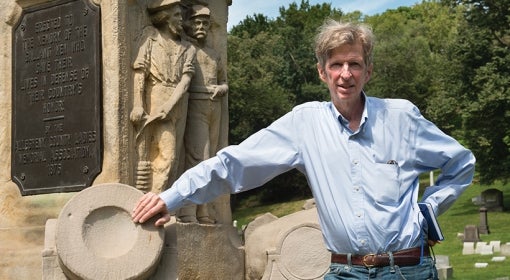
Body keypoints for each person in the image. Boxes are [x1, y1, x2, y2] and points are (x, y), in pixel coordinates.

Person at [132, 19, 475, 279]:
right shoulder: (304, 125)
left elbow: (461, 163)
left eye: (354, 64)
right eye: (335, 65)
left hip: (408, 269)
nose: (345, 74)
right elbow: (233, 164)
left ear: (368, 71)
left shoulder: (401, 118)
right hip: (346, 271)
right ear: (322, 73)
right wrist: (171, 197)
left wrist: (427, 212)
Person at [130, 0, 196, 193]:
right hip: (157, 96)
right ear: (166, 18)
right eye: (176, 15)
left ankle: (164, 203)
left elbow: (185, 82)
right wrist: (137, 104)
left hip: (177, 103)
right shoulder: (150, 38)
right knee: (167, 155)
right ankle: (153, 201)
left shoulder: (188, 48)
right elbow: (140, 72)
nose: (181, 20)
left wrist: (170, 106)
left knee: (175, 159)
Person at [177, 4, 229, 224]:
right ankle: (188, 210)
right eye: (196, 22)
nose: (201, 27)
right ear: (188, 24)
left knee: (212, 159)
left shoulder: (213, 54)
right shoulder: (186, 49)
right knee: (198, 158)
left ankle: (204, 210)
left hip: (214, 107)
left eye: (205, 24)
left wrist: (222, 88)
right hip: (195, 105)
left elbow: (223, 81)